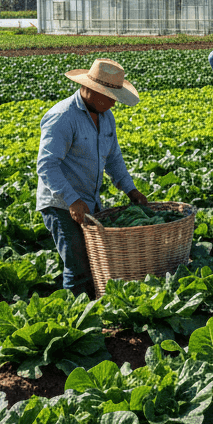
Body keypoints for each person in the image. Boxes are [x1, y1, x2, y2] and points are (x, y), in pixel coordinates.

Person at [36, 58, 149, 294]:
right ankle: (77, 321)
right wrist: (72, 200)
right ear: (89, 89)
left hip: (88, 201)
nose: (113, 104)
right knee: (77, 266)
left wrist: (131, 190)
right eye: (108, 96)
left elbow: (113, 159)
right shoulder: (62, 117)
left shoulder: (106, 117)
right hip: (61, 204)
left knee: (95, 261)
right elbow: (47, 165)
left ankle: (94, 311)